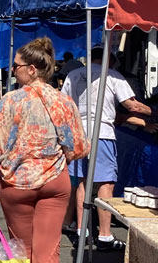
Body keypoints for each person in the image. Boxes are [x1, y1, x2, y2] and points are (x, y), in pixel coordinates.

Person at [0, 37, 89, 263]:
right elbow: (79, 148)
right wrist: (56, 158)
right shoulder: (64, 102)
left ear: (31, 69)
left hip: (16, 185)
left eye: (15, 67)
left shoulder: (11, 101)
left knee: (24, 253)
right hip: (55, 184)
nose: (12, 71)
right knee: (49, 254)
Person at [61, 46, 152, 250]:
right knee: (105, 184)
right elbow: (133, 106)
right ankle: (104, 235)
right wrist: (156, 112)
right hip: (101, 133)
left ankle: (81, 230)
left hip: (79, 133)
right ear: (109, 61)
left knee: (83, 182)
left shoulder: (73, 75)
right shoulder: (112, 75)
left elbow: (63, 104)